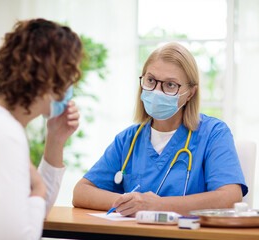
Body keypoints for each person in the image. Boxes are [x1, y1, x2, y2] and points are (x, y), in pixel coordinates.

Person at [73, 42, 247, 217]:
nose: (157, 91)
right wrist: (132, 203)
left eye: (170, 85)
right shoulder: (128, 139)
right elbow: (81, 192)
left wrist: (156, 205)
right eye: (150, 80)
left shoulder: (213, 133)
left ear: (190, 93)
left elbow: (230, 197)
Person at [0, 18, 83, 239]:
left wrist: (56, 138)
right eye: (69, 77)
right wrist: (38, 190)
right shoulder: (2, 133)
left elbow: (32, 215)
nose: (70, 87)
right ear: (51, 79)